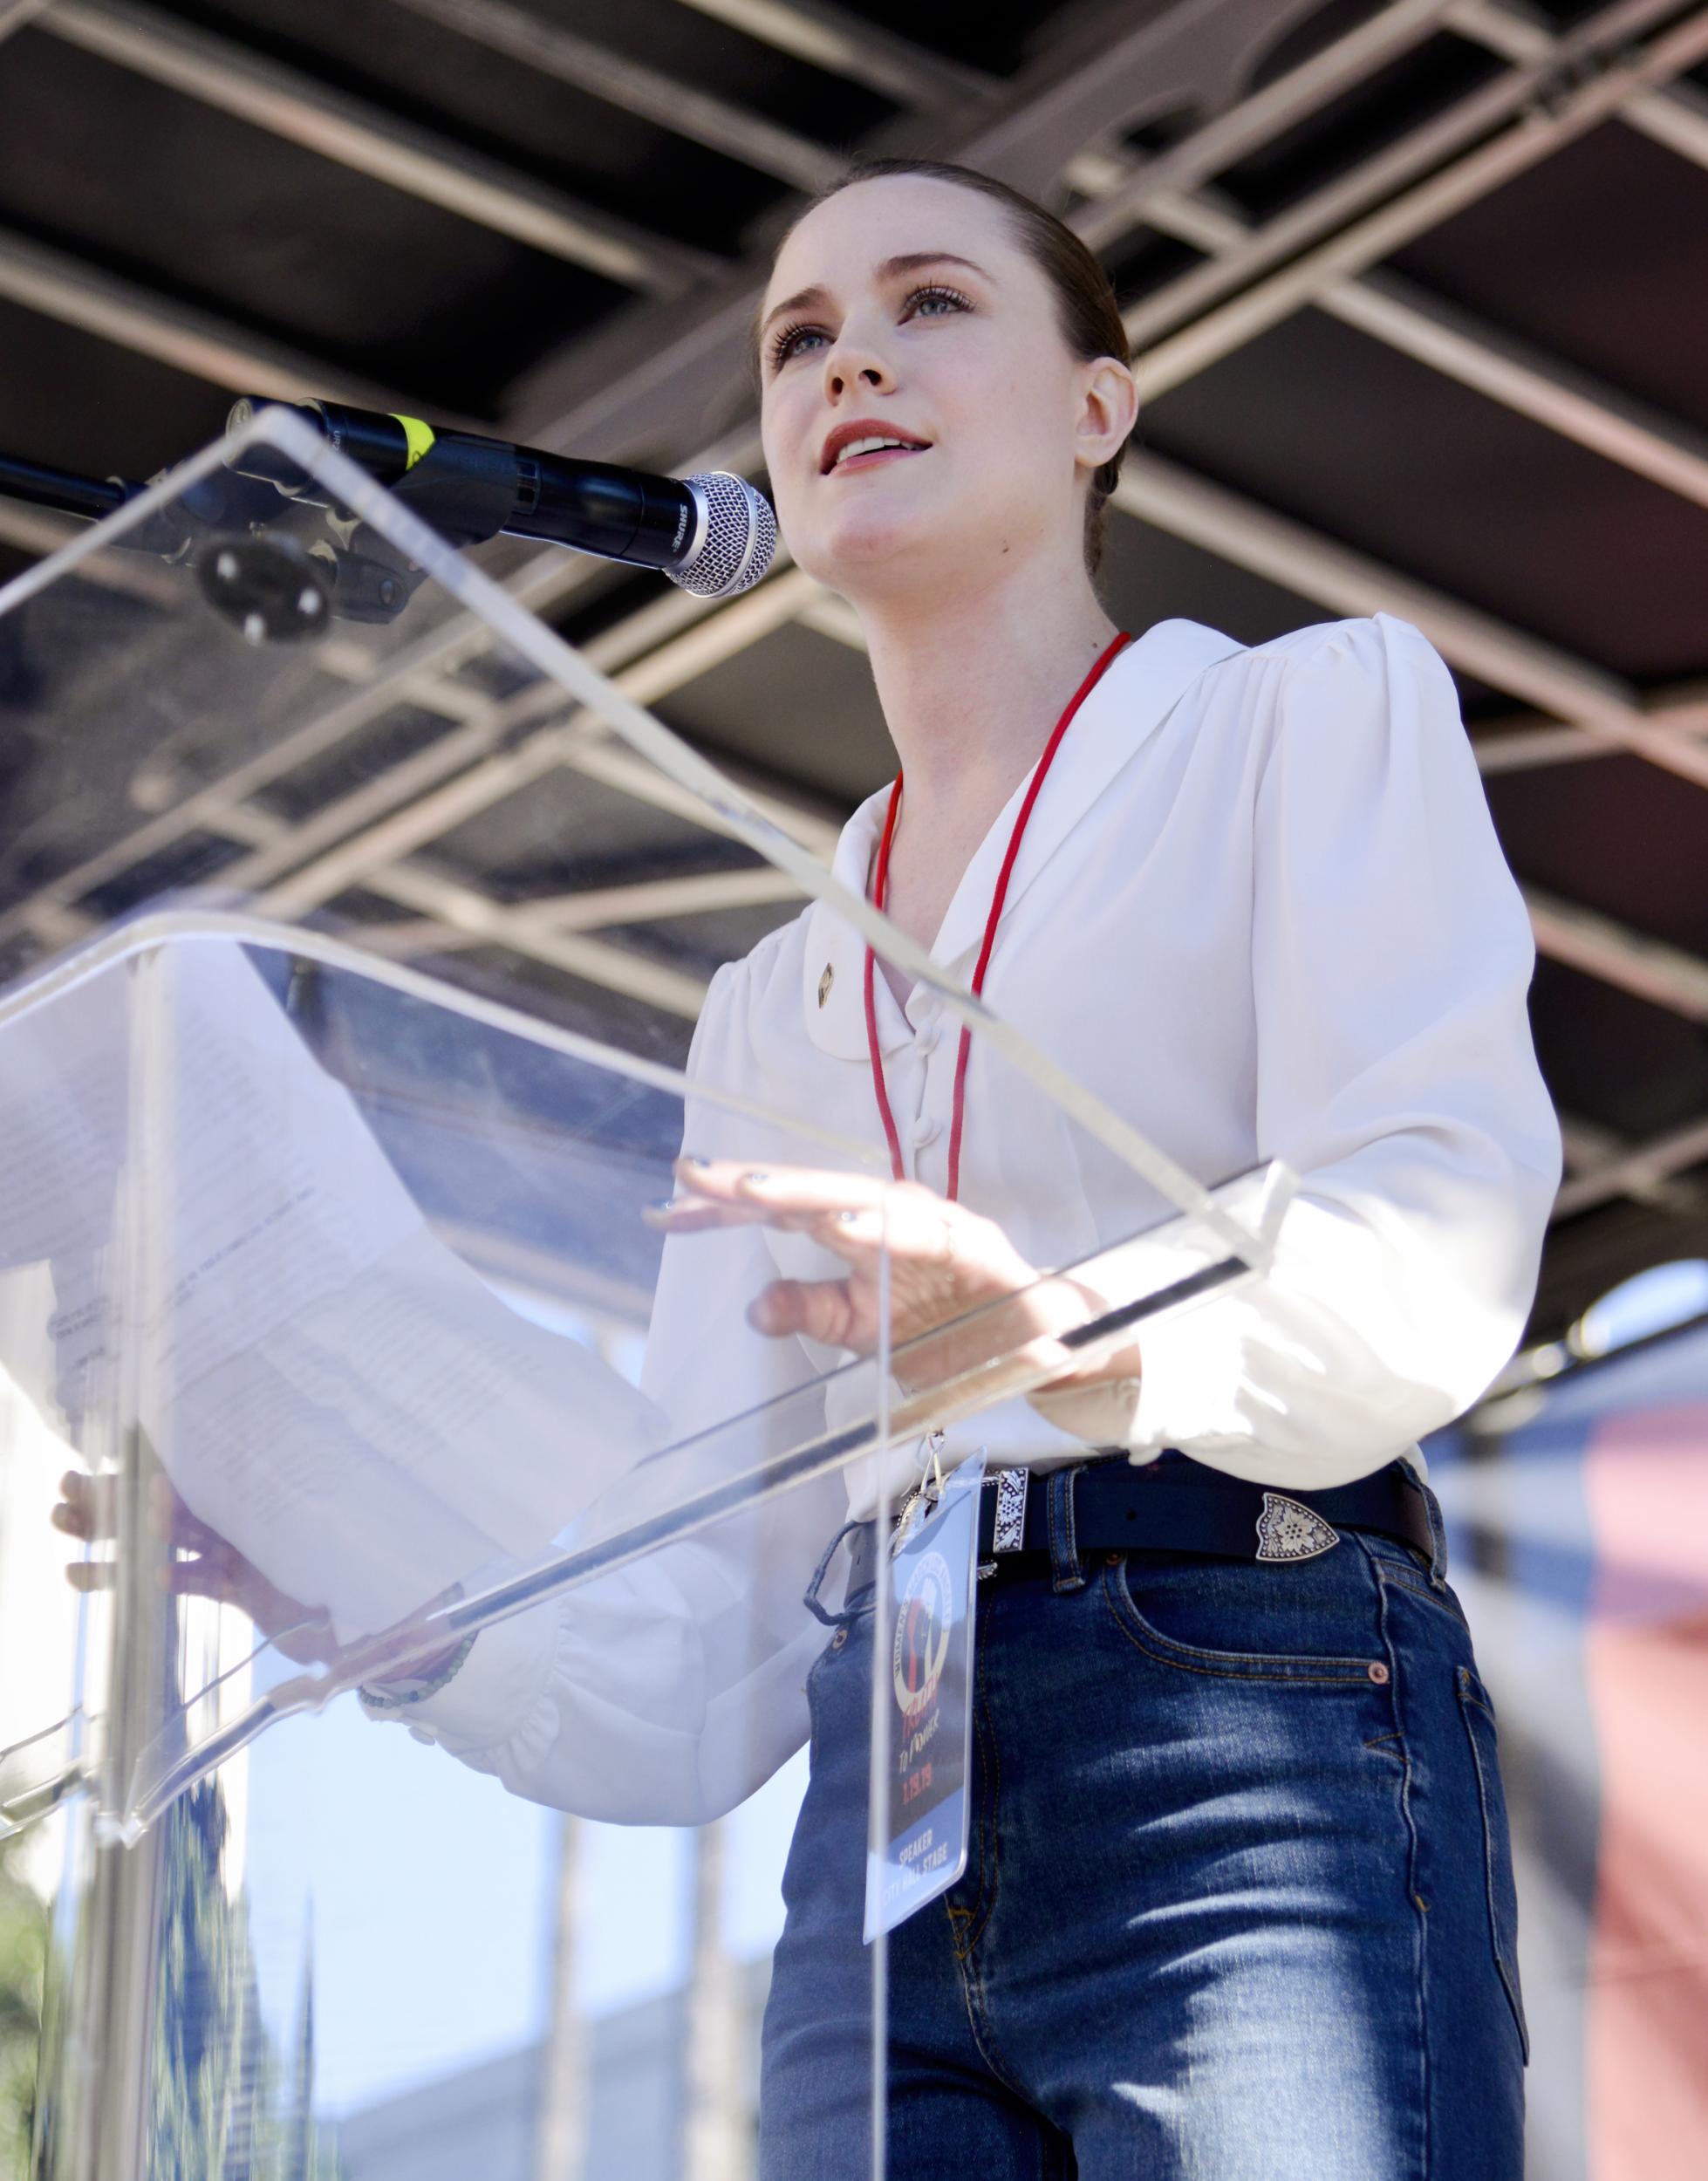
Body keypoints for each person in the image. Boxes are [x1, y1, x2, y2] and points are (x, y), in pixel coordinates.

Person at [64, 157, 1561, 2178]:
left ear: (1099, 404)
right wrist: (398, 1616)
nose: (847, 352)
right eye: (795, 336)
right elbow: (715, 1644)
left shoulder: (1295, 717)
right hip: (885, 1783)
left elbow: (1440, 1233)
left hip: (1238, 1694)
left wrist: (1075, 1337)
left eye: (929, 302)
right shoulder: (773, 1001)